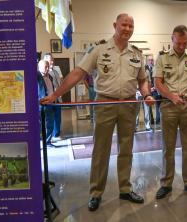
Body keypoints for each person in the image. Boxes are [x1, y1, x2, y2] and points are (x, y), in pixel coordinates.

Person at [40, 13, 155, 211]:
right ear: (115, 25)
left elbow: (143, 79)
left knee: (126, 149)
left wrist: (145, 95)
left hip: (129, 105)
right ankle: (96, 193)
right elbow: (78, 73)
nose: (127, 29)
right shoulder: (99, 49)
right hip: (105, 104)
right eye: (124, 25)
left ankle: (125, 189)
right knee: (101, 151)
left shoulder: (137, 54)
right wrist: (55, 94)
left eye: (131, 25)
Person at [154, 25, 187, 199]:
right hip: (169, 106)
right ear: (172, 39)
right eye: (179, 43)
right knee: (168, 147)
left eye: (185, 43)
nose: (182, 46)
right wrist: (171, 96)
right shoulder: (162, 58)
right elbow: (158, 83)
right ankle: (166, 183)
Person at [43, 53, 64, 142]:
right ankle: (49, 137)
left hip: (58, 98)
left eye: (52, 59)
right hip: (50, 99)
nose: (52, 61)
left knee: (58, 117)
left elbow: (60, 81)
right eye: (50, 60)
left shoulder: (56, 70)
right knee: (50, 119)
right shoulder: (43, 73)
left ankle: (57, 134)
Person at [37, 60, 55, 147]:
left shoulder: (50, 76)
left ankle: (47, 142)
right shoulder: (36, 76)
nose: (48, 68)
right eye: (45, 67)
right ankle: (39, 144)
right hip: (42, 104)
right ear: (39, 67)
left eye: (48, 66)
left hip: (50, 103)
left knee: (50, 123)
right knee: (40, 125)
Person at [146, 55, 161, 125]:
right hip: (148, 90)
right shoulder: (144, 68)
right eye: (149, 60)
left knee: (158, 105)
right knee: (148, 107)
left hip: (156, 90)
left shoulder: (156, 68)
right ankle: (150, 121)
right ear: (147, 61)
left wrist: (155, 87)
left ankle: (158, 120)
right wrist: (150, 88)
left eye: (152, 60)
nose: (151, 61)